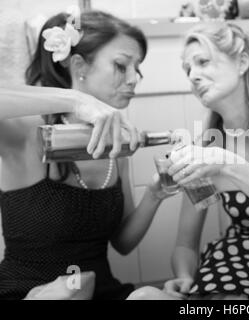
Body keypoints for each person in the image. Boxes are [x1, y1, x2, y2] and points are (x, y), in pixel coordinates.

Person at [0, 11, 173, 300]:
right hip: (28, 292)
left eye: (137, 68)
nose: (134, 79)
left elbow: (123, 242)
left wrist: (155, 194)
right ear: (78, 64)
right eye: (121, 65)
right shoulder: (28, 132)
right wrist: (75, 100)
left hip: (100, 290)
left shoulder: (115, 146)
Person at [128, 22, 249, 300]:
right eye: (188, 69)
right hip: (233, 262)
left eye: (202, 62)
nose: (193, 76)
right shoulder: (207, 147)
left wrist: (226, 164)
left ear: (242, 62)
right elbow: (186, 243)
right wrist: (185, 276)